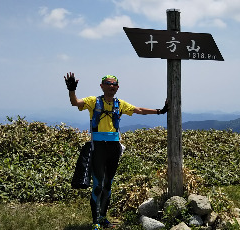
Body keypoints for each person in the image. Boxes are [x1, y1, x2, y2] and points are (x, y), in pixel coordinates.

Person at [64, 72, 168, 229]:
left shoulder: (120, 104)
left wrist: (160, 111)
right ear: (102, 86)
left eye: (114, 84)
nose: (111, 86)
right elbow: (75, 103)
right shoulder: (93, 101)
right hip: (98, 146)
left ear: (117, 87)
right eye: (108, 83)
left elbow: (139, 110)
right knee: (98, 185)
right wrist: (71, 90)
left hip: (114, 147)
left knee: (108, 185)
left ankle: (103, 218)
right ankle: (96, 222)